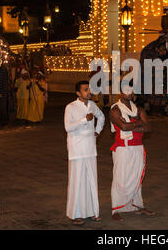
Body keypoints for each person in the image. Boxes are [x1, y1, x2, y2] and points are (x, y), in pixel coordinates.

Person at [109, 86, 154, 221]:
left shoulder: (139, 109)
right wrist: (139, 123)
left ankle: (138, 205)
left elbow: (148, 127)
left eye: (131, 91)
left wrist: (132, 125)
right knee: (120, 178)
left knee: (137, 177)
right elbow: (123, 127)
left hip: (138, 147)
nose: (129, 93)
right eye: (125, 91)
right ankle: (116, 208)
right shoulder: (115, 109)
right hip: (123, 147)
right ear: (120, 93)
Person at [65, 80, 105, 225]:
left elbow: (101, 116)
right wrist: (84, 119)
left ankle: (93, 211)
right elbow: (68, 127)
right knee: (77, 181)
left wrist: (97, 131)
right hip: (77, 150)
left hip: (90, 148)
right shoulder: (71, 107)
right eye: (85, 90)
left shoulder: (93, 105)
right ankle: (76, 214)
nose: (89, 92)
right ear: (78, 93)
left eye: (89, 89)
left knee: (91, 180)